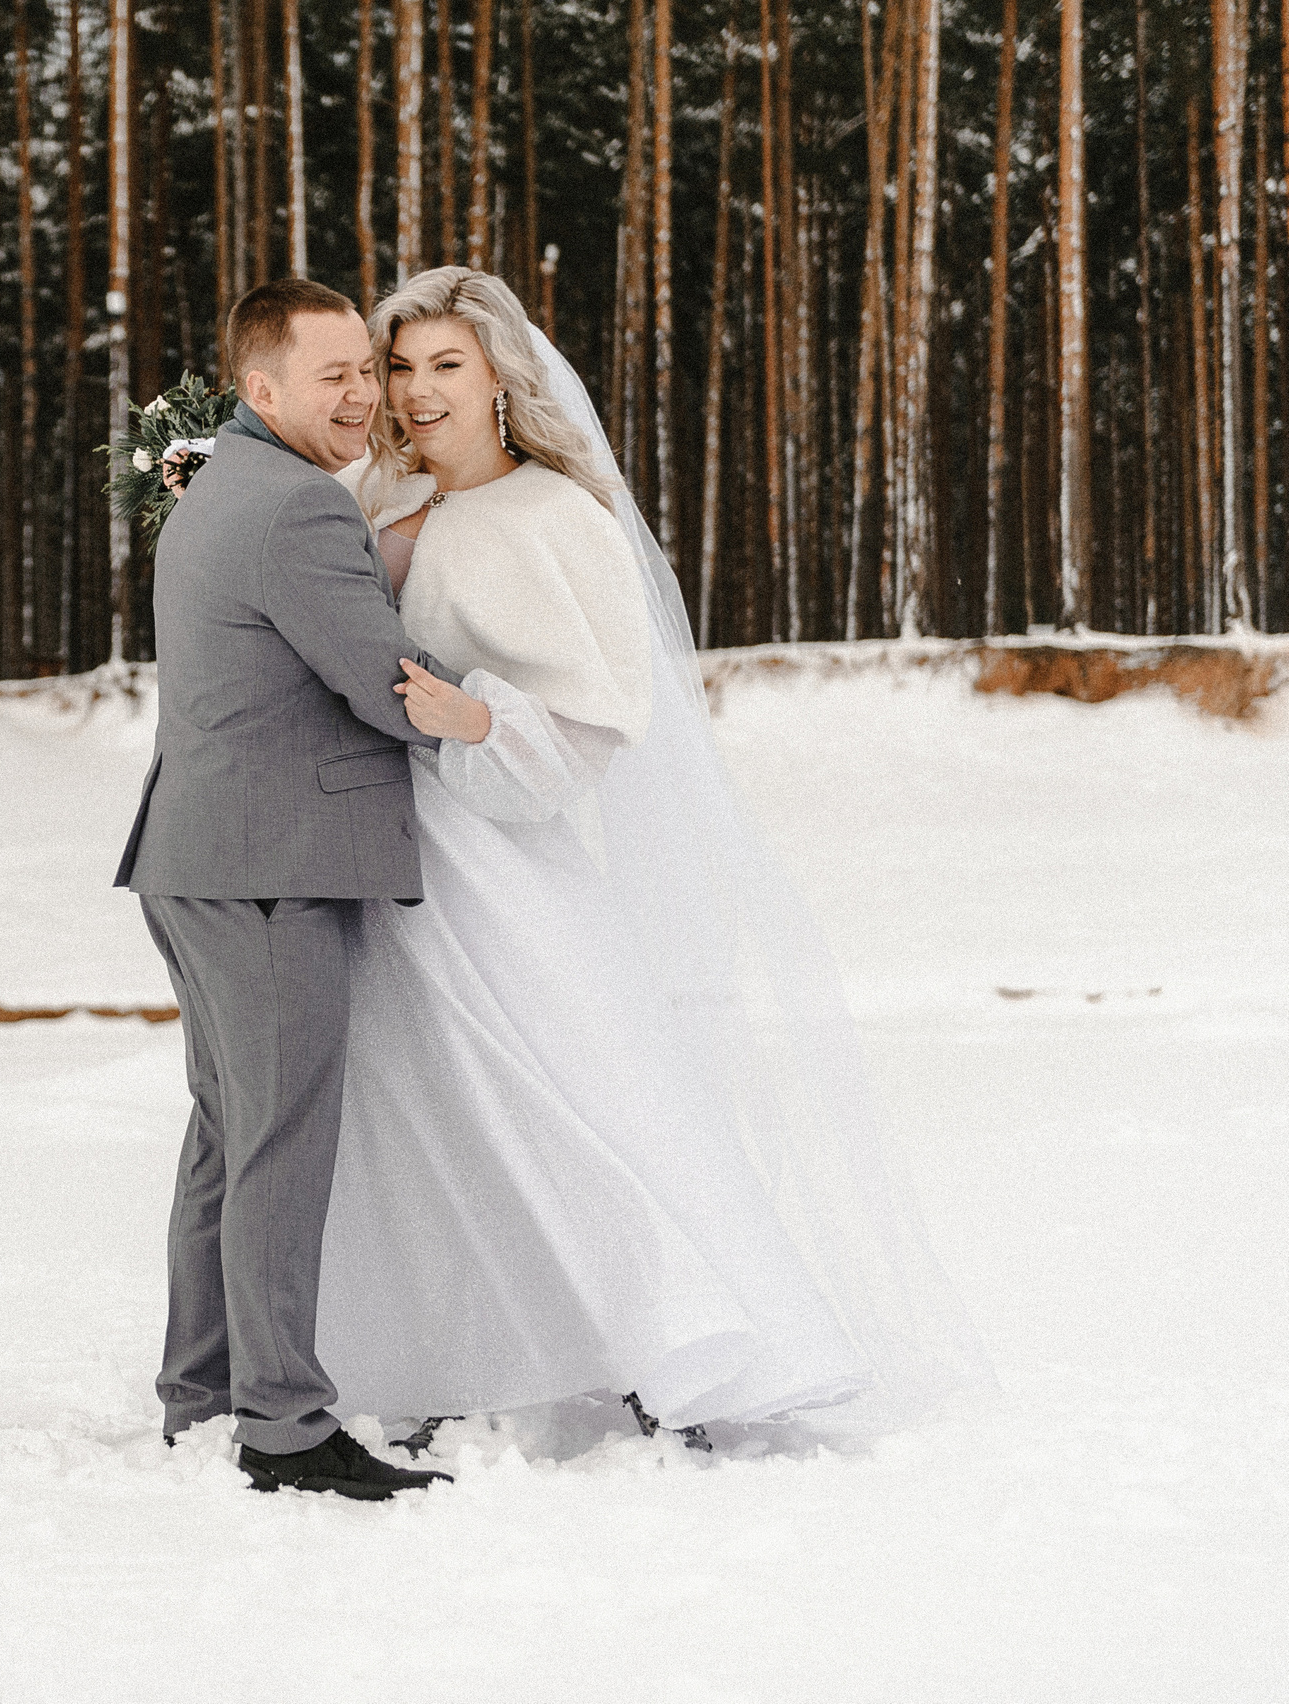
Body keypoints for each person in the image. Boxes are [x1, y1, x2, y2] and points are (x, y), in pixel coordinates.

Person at [310, 266, 991, 1443]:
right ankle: (443, 1357)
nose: (418, 394)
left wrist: (477, 722)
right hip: (381, 847)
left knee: (575, 1098)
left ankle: (692, 1349)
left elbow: (591, 728)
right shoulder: (369, 495)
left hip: (500, 864)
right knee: (417, 1104)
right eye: (401, 368)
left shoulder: (557, 516)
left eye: (446, 368)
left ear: (500, 381)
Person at [114, 277, 486, 1500]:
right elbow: (381, 679)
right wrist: (499, 724)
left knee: (229, 1136)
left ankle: (204, 1394)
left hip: (200, 855)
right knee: (279, 1142)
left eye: (365, 372)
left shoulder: (223, 488)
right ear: (259, 389)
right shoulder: (293, 509)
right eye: (334, 375)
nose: (364, 396)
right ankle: (281, 1427)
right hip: (268, 867)